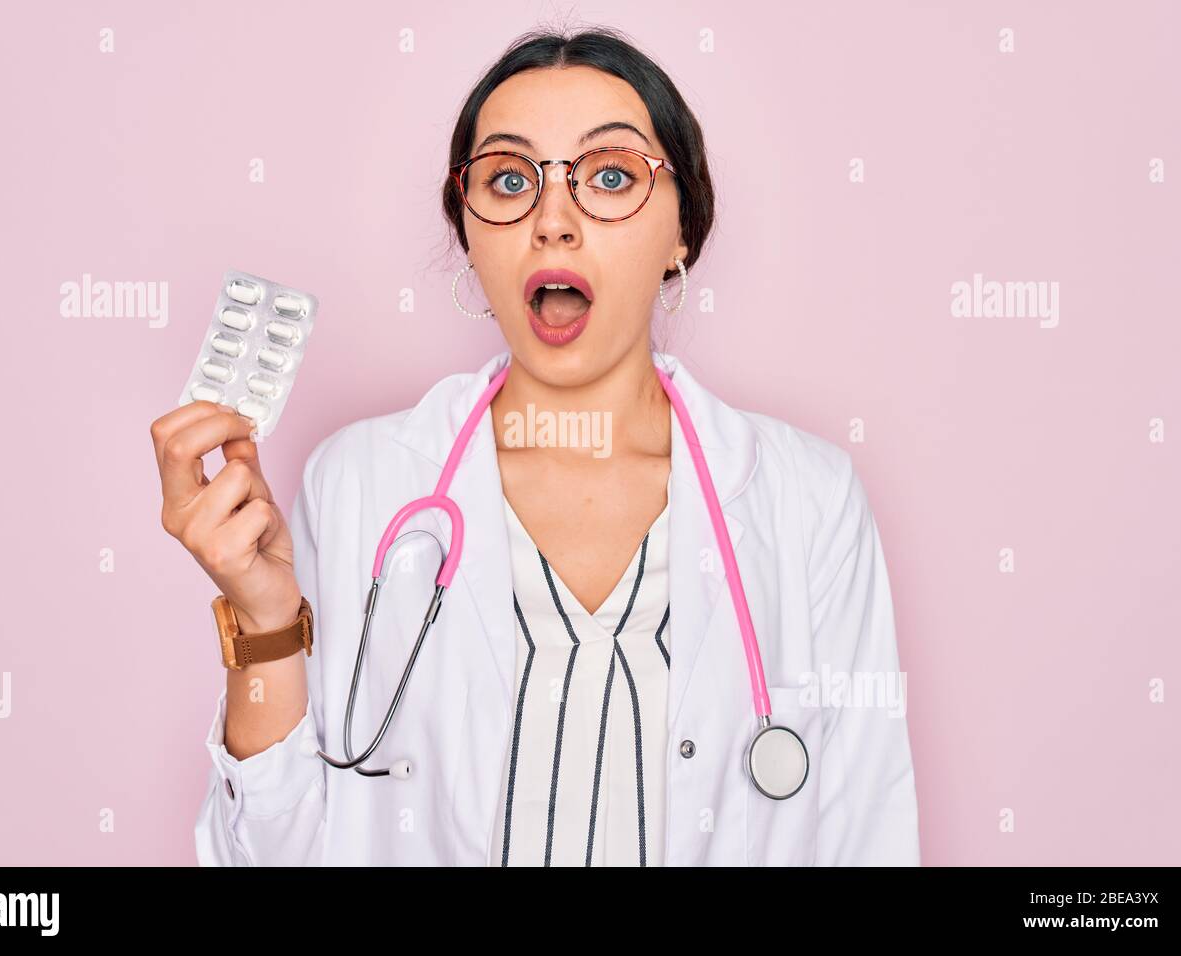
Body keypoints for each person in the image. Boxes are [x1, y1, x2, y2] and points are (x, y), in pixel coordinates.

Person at [150, 27, 920, 866]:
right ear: (469, 236)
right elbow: (269, 854)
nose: (553, 221)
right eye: (510, 180)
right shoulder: (361, 484)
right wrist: (263, 626)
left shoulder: (807, 500)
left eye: (612, 177)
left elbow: (865, 828)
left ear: (682, 233)